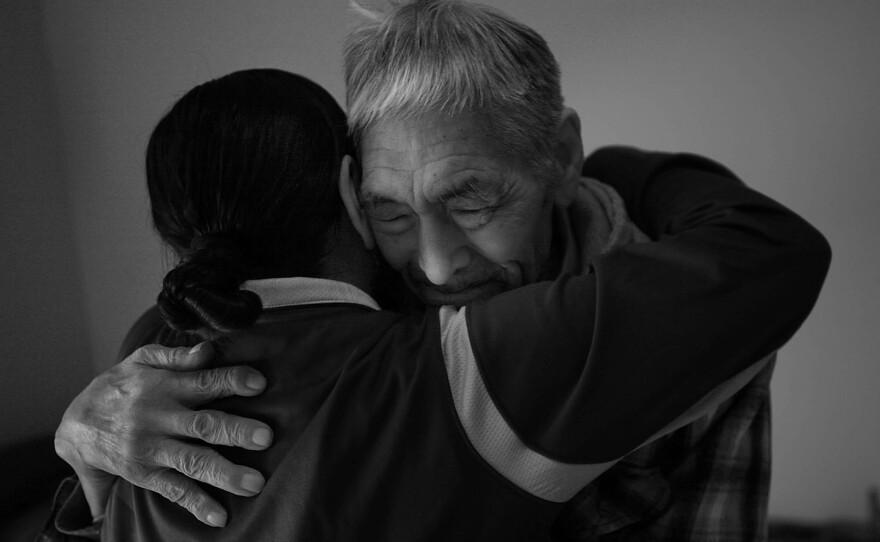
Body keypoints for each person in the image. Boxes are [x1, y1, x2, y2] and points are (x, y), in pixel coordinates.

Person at [51, 1, 831, 540]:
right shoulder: (348, 308)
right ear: (352, 198)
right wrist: (92, 445)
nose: (433, 267)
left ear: (559, 156)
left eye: (472, 202)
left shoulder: (706, 325)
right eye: (391, 212)